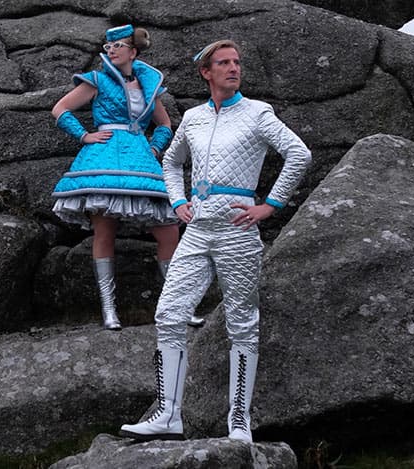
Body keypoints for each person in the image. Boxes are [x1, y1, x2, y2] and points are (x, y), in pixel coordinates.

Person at [118, 40, 311, 443]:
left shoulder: (258, 113)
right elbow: (171, 162)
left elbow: (299, 154)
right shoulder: (193, 117)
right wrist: (178, 201)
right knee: (169, 314)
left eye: (237, 62)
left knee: (242, 325)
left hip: (238, 232)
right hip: (198, 229)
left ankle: (239, 419)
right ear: (206, 72)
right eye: (223, 63)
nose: (232, 68)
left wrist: (270, 205)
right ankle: (168, 414)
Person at [51, 24, 189, 330]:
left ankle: (176, 307)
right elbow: (60, 109)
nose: (111, 50)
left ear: (132, 52)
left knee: (168, 229)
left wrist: (154, 147)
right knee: (104, 232)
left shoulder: (147, 85)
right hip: (104, 157)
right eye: (108, 47)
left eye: (117, 46)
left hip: (140, 158)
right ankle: (109, 310)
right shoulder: (97, 79)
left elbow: (165, 124)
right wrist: (84, 135)